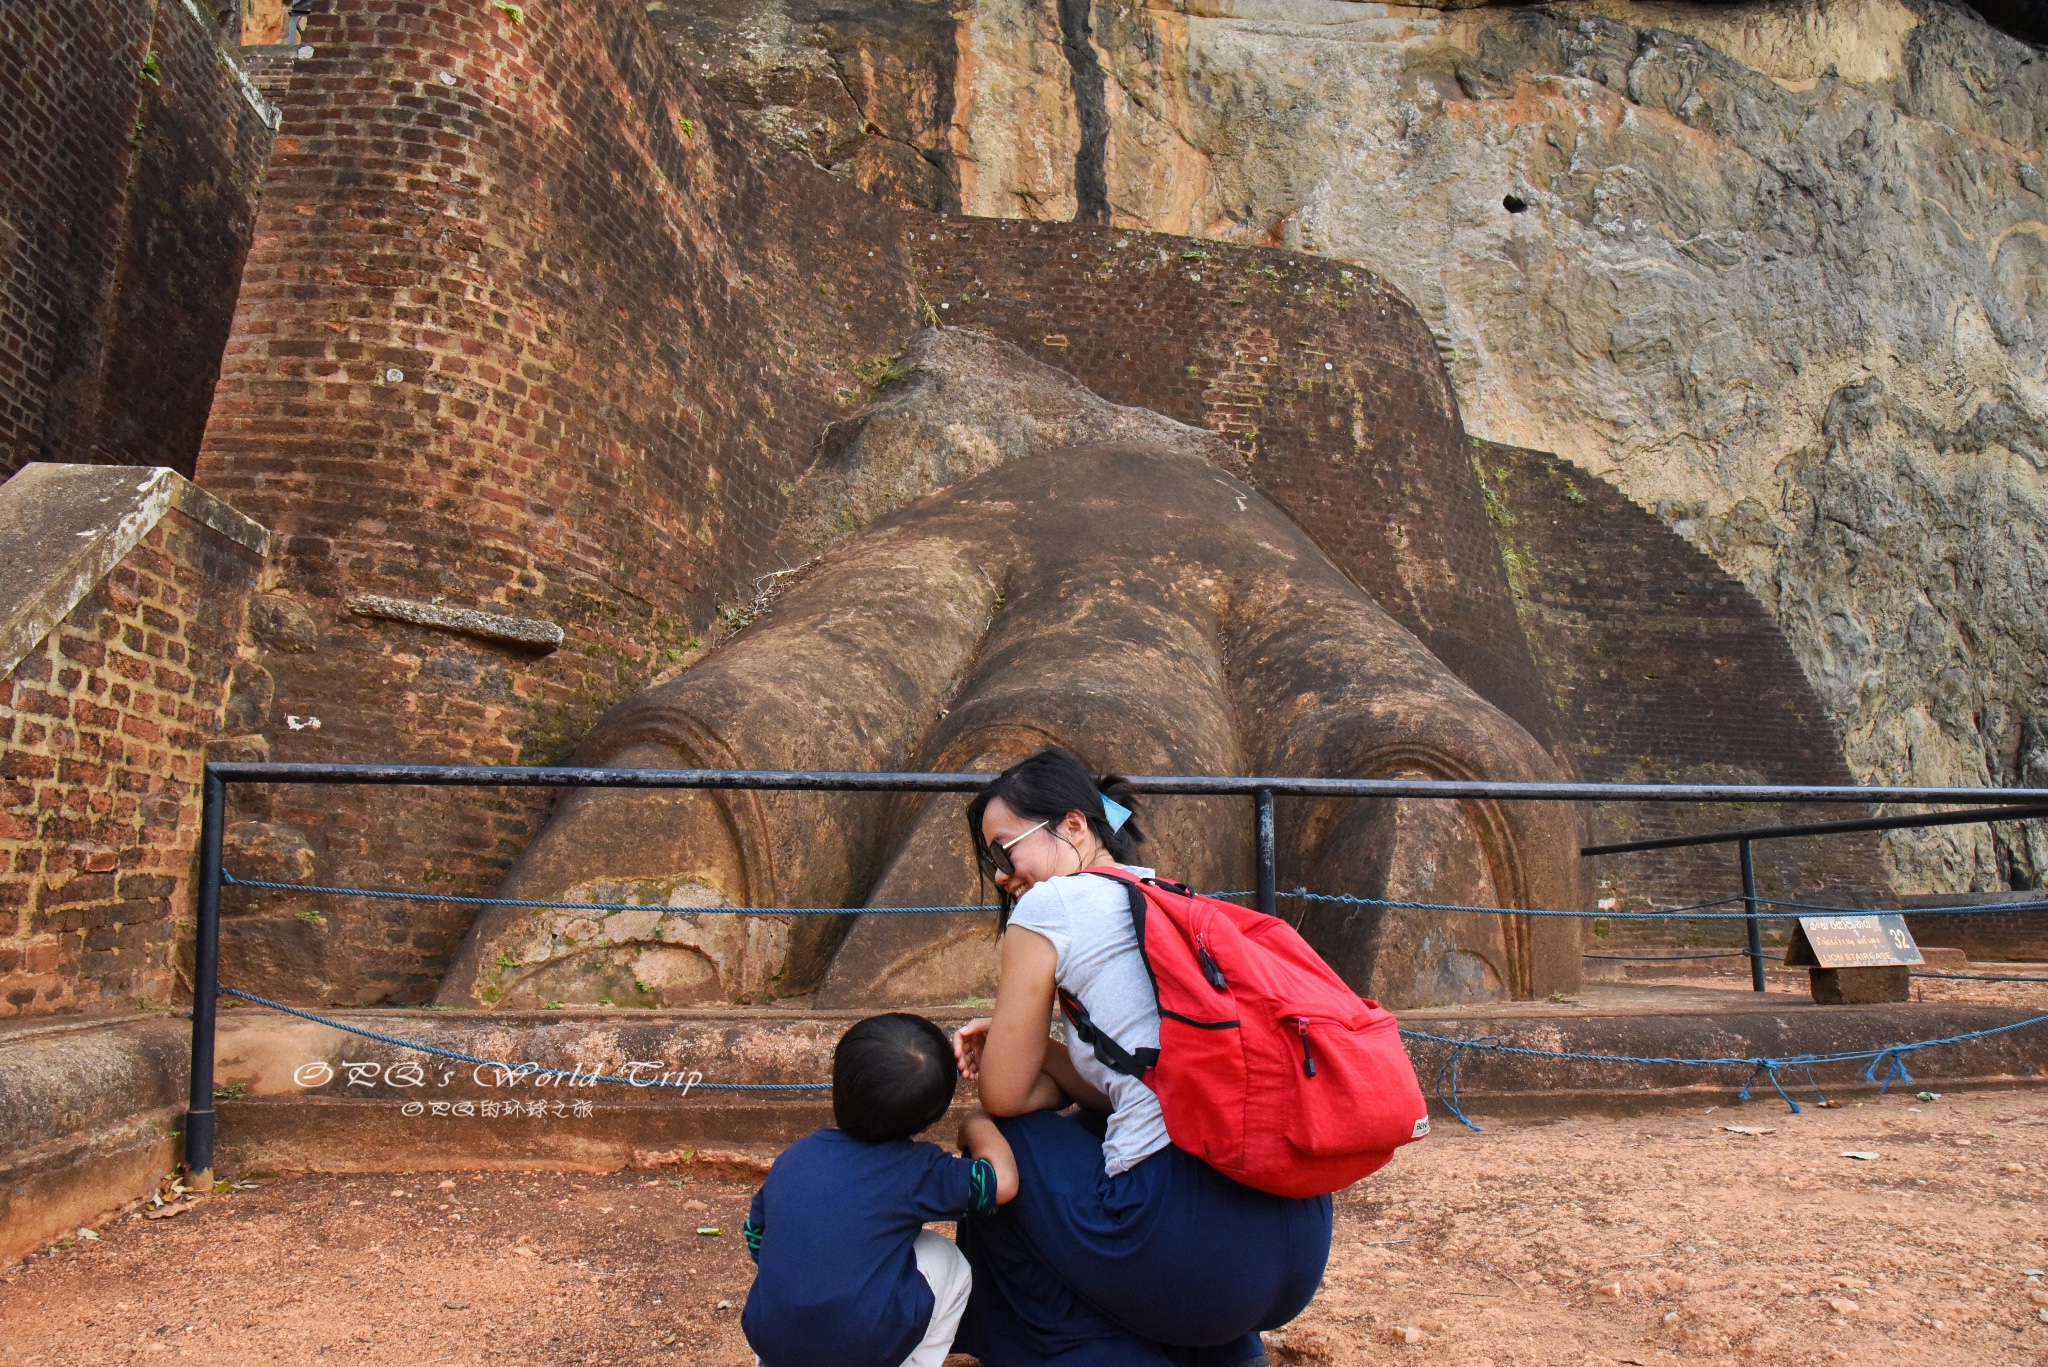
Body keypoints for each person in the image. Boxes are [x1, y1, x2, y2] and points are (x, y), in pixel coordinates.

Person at [951, 747, 1334, 1367]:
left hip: (1185, 1240)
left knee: (1000, 1141)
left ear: (1074, 826)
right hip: (1296, 1235)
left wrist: (976, 1119)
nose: (1000, 875)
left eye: (1003, 850)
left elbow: (1003, 1095)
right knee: (1092, 1128)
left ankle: (1079, 1352)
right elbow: (1124, 1091)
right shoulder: (1164, 896)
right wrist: (1046, 1053)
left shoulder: (1051, 906)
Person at [741, 1012, 1020, 1367]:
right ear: (930, 1116)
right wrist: (977, 1120)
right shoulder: (917, 1169)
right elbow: (1002, 1184)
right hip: (862, 1346)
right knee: (949, 1261)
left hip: (772, 1340)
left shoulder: (795, 1156)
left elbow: (757, 1237)